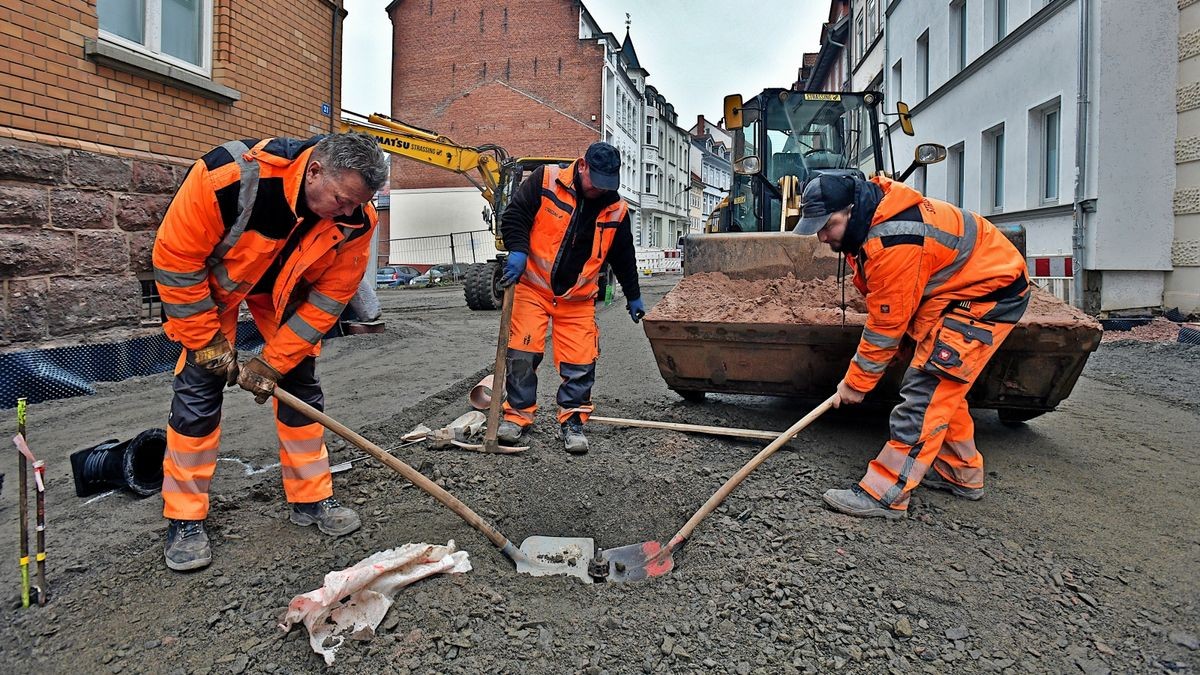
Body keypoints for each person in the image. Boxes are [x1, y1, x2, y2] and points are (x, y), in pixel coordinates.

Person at [152, 132, 388, 570]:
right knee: (198, 394)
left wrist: (272, 363)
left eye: (358, 203)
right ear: (314, 171)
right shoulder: (226, 178)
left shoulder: (358, 218)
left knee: (300, 389)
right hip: (213, 288)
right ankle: (184, 519)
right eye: (342, 200)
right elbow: (177, 264)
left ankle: (311, 499)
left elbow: (328, 301)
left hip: (285, 294)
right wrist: (206, 342)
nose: (350, 212)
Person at [793, 172, 1030, 519]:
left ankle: (885, 492)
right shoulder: (871, 222)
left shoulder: (893, 239)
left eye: (828, 225)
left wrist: (856, 383)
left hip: (986, 298)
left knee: (925, 391)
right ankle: (960, 473)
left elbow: (886, 324)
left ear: (852, 209)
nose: (822, 236)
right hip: (955, 293)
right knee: (943, 390)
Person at [494, 142, 644, 453]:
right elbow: (515, 216)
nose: (598, 190)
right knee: (522, 353)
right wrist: (519, 250)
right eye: (595, 181)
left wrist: (634, 295)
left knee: (580, 361)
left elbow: (623, 255)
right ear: (583, 165)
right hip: (533, 289)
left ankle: (573, 421)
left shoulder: (616, 209)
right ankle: (517, 416)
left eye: (606, 184)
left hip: (577, 300)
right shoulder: (545, 180)